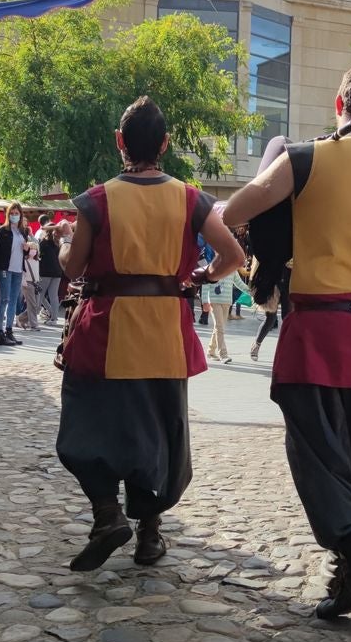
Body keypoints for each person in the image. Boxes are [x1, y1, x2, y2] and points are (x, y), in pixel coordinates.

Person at [224, 63, 351, 619]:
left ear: (342, 102)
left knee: (318, 454)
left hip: (319, 329)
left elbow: (236, 210)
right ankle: (348, 561)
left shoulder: (305, 158)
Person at [56, 96, 243, 572]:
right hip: (164, 329)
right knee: (159, 431)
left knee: (87, 424)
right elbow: (233, 258)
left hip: (105, 326)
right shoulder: (191, 198)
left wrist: (61, 251)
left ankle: (106, 514)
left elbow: (73, 266)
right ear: (164, 144)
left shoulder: (96, 200)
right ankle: (150, 536)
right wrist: (200, 277)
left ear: (120, 142)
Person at [205, 230, 250, 364]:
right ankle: (223, 354)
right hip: (214, 300)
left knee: (219, 327)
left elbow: (239, 283)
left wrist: (251, 291)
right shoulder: (212, 267)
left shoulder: (232, 269)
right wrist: (204, 301)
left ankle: (210, 351)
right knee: (220, 327)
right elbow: (206, 285)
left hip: (226, 301)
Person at [0, 201, 32, 347]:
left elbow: (26, 253)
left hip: (17, 270)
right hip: (4, 269)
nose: (14, 216)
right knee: (4, 300)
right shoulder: (3, 230)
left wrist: (27, 249)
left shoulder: (22, 232)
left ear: (21, 215)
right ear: (8, 215)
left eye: (17, 213)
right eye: (12, 213)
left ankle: (9, 331)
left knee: (14, 301)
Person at [249, 260, 291, 362]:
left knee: (288, 319)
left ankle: (287, 352)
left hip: (289, 281)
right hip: (272, 282)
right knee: (270, 319)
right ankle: (257, 344)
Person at [37, 215, 63, 323]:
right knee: (53, 295)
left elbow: (39, 257)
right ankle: (54, 317)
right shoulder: (59, 243)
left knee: (40, 294)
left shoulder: (43, 243)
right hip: (57, 272)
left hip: (45, 272)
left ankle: (34, 315)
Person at [17, 241, 43, 331]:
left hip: (35, 284)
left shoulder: (37, 261)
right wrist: (23, 282)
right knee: (32, 305)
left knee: (37, 306)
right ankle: (34, 325)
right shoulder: (24, 260)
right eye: (31, 249)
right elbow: (22, 273)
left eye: (35, 249)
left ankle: (20, 319)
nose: (33, 251)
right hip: (27, 283)